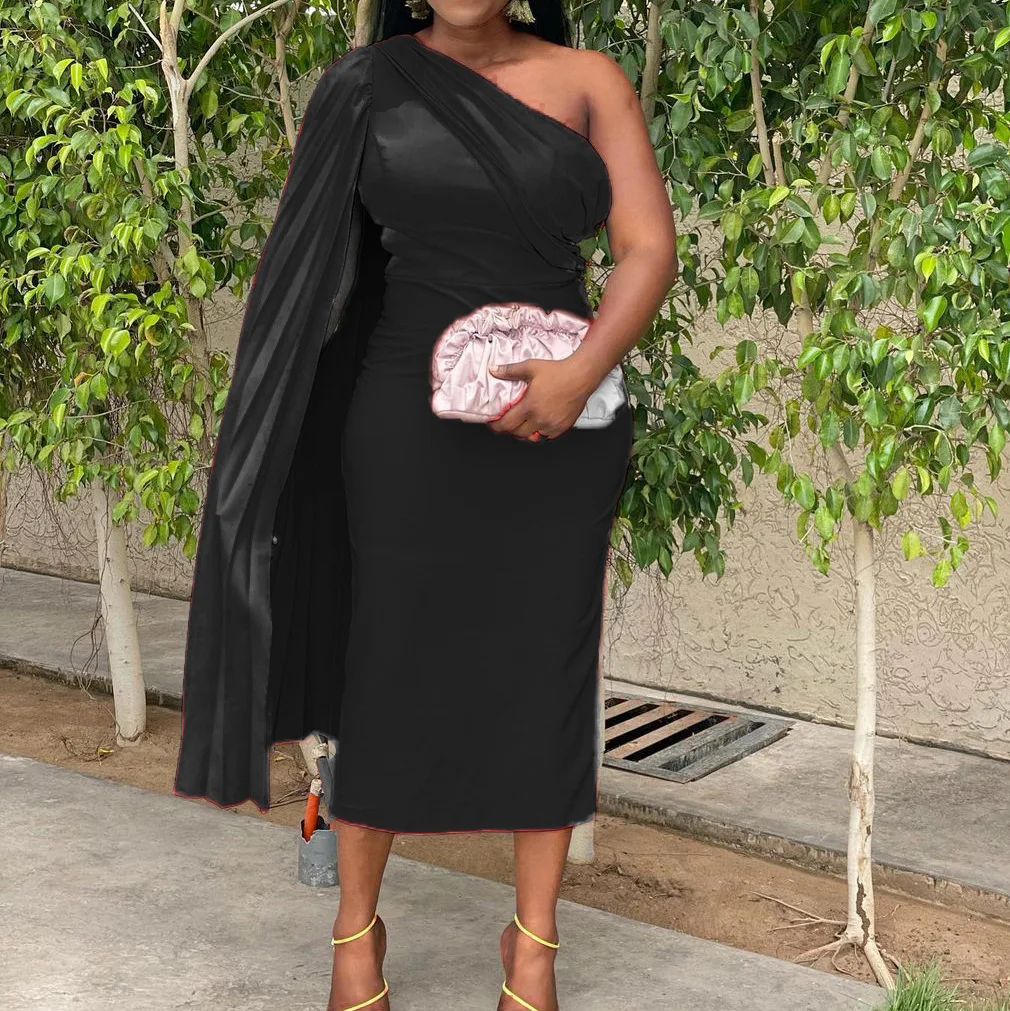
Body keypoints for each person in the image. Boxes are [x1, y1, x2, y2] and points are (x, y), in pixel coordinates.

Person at [173, 1, 677, 1009]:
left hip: (560, 427)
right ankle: (355, 932)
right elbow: (304, 267)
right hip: (404, 425)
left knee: (544, 669)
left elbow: (647, 249)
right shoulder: (364, 85)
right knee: (387, 666)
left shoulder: (591, 81)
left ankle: (532, 948)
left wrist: (581, 373)